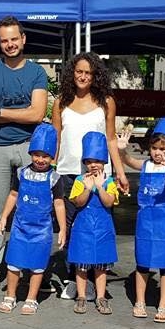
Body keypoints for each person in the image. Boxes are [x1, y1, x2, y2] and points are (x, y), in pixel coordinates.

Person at [0, 16, 49, 293]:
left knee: (33, 210)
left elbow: (38, 113)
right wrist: (12, 115)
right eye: (4, 40)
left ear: (23, 39)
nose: (10, 44)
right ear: (0, 42)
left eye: (14, 39)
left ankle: (30, 268)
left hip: (30, 148)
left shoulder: (37, 72)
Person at [51, 52, 129, 301]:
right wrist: (50, 170)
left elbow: (111, 138)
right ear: (72, 73)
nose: (83, 76)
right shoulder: (61, 101)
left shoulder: (106, 101)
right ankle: (74, 277)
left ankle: (97, 277)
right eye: (79, 72)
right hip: (67, 172)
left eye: (88, 72)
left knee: (97, 226)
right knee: (71, 227)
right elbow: (56, 137)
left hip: (97, 175)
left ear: (95, 75)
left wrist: (119, 171)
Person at [118, 117, 165, 323]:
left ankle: (163, 303)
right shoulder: (145, 165)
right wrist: (121, 150)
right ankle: (140, 300)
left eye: (164, 149)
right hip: (145, 224)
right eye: (155, 148)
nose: (158, 152)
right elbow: (128, 161)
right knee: (143, 263)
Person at [0, 124, 66, 315]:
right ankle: (10, 296)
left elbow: (59, 204)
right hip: (20, 228)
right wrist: (3, 218)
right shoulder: (21, 173)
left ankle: (31, 298)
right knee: (13, 263)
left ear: (52, 157)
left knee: (37, 265)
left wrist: (62, 229)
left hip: (42, 230)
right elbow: (12, 195)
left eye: (45, 156)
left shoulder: (55, 178)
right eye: (36, 154)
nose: (40, 159)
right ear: (30, 153)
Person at [66, 132, 119, 315]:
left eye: (97, 160)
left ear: (104, 162)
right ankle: (81, 296)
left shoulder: (110, 181)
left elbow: (109, 202)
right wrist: (88, 188)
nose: (93, 164)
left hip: (103, 228)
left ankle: (101, 296)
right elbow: (78, 202)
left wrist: (101, 186)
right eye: (88, 161)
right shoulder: (80, 181)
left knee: (101, 265)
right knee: (81, 264)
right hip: (83, 228)